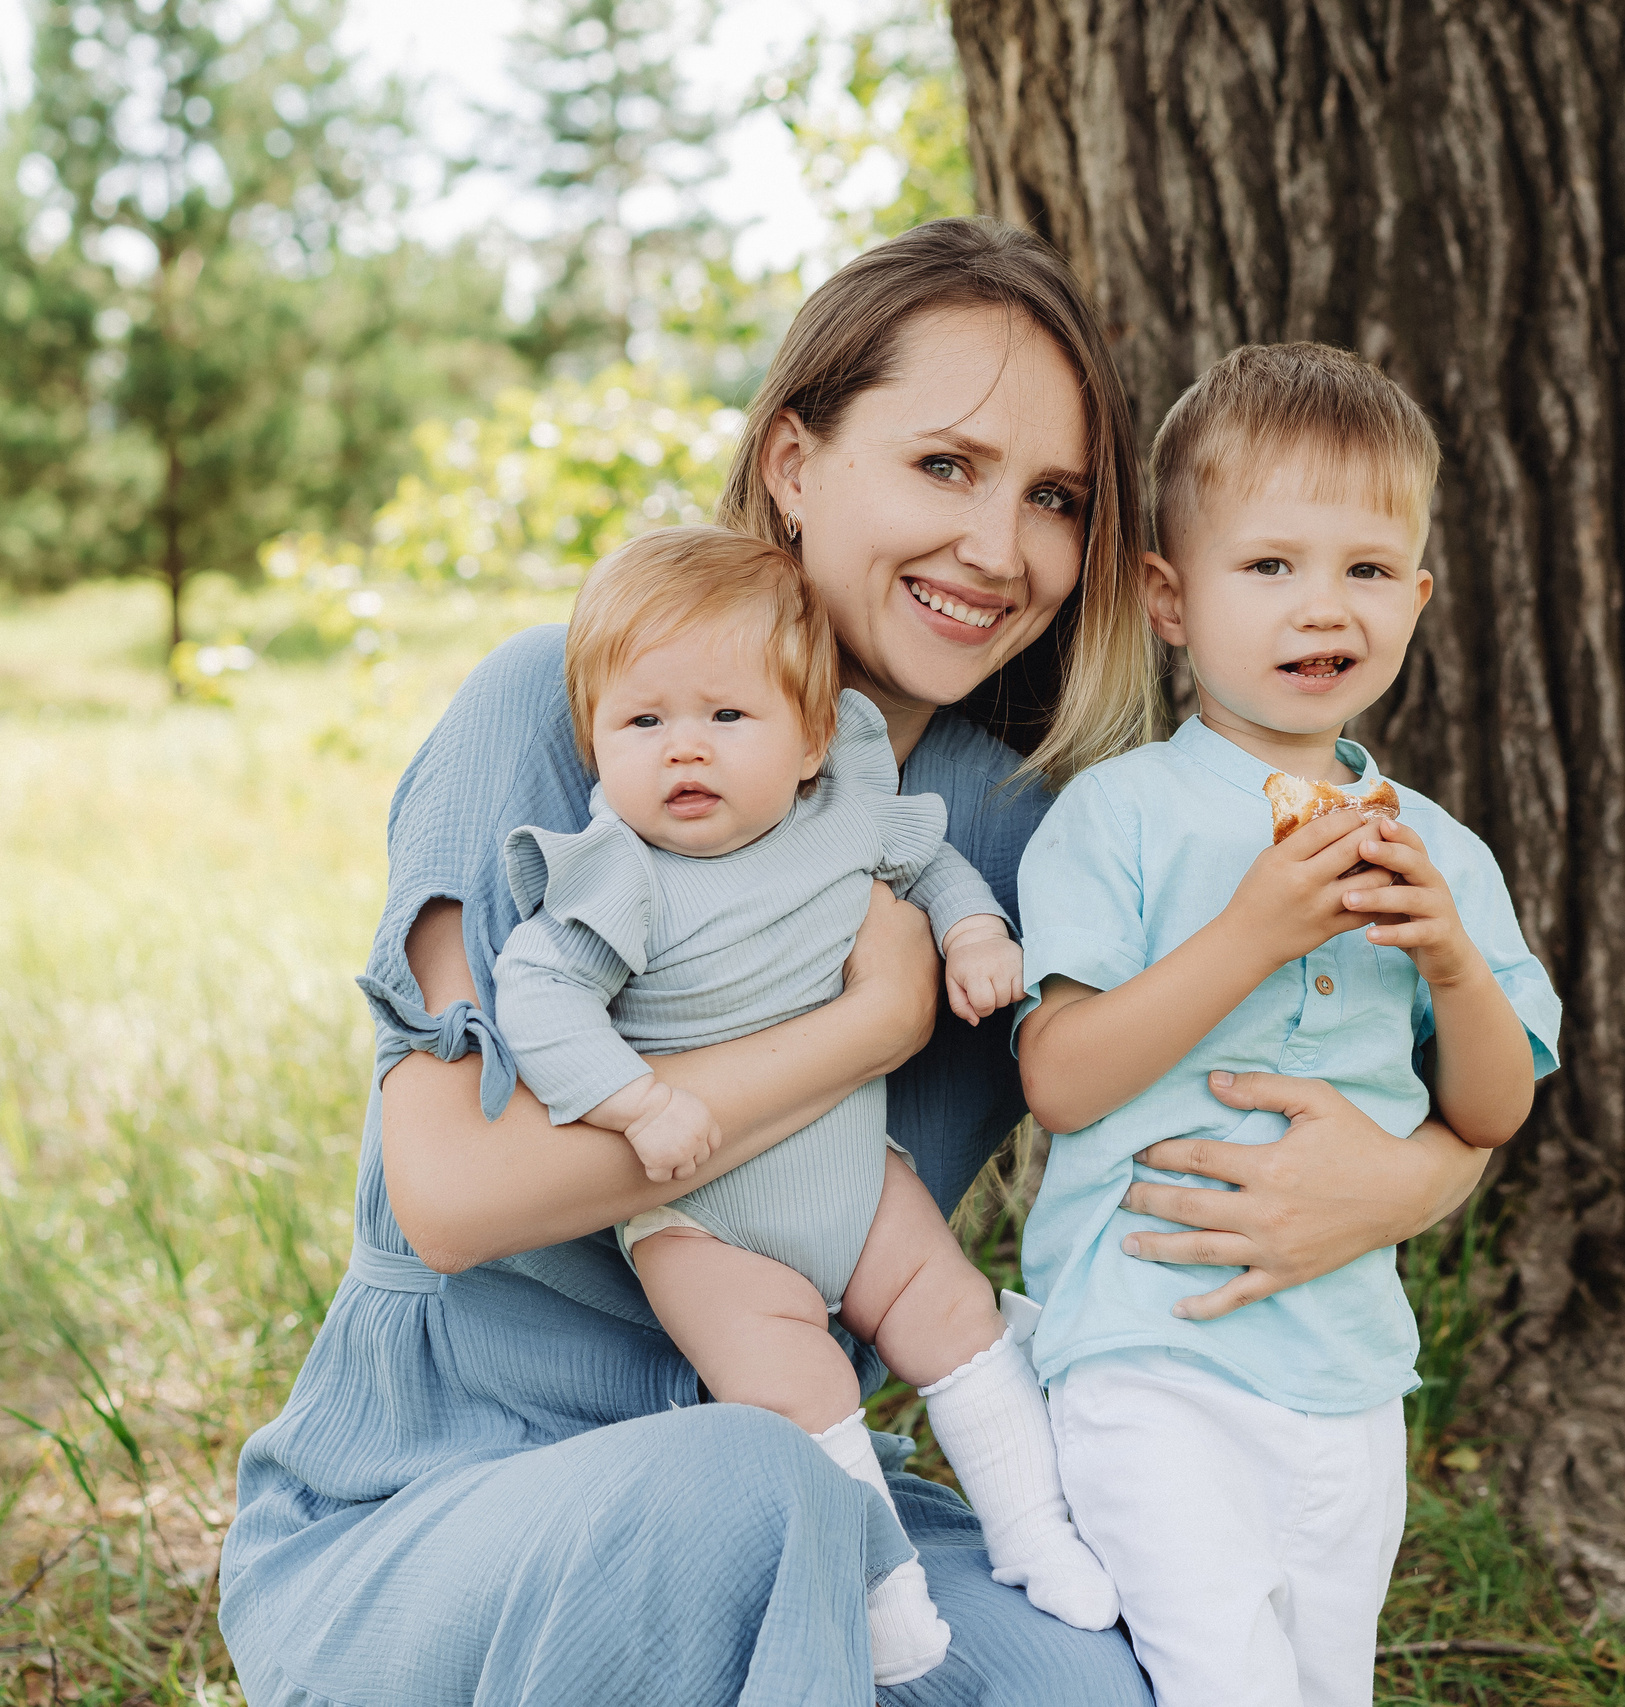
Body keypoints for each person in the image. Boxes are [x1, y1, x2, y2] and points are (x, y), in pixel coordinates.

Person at [217, 218, 1501, 1707]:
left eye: (1054, 498)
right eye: (944, 465)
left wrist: (1421, 1175)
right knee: (734, 1491)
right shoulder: (570, 709)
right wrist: (870, 1023)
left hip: (829, 1485)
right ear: (795, 462)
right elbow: (452, 1194)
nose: (997, 546)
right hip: (436, 1509)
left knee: (1097, 1688)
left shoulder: (1031, 837)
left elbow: (1257, 1057)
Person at [1014, 343, 1564, 1706]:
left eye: (1368, 569)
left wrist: (1450, 963)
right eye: (1269, 566)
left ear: (1418, 597)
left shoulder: (1437, 851)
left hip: (1349, 1371)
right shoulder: (1120, 816)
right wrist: (1253, 930)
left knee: (1327, 1678)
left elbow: (1492, 1108)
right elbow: (1061, 1078)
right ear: (1171, 598)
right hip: (1151, 1350)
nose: (1325, 604)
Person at [491, 527, 1112, 1684]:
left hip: (850, 1172)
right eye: (643, 723)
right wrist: (630, 1101)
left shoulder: (840, 815)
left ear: (813, 736)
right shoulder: (617, 872)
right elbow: (541, 996)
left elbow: (929, 867)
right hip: (703, 1220)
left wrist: (974, 932)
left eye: (729, 719)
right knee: (793, 1384)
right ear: (595, 742)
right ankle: (872, 1584)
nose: (686, 748)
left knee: (952, 1312)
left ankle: (1034, 1529)